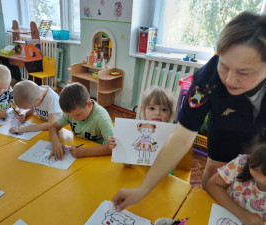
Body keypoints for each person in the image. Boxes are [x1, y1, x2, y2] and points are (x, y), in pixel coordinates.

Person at [112, 11, 266, 211]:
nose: (228, 80)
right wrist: (143, 189)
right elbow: (180, 139)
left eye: (244, 72)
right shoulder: (207, 82)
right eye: (224, 66)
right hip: (225, 127)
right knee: (214, 174)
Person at [206, 138, 266, 225]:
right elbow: (212, 185)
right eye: (254, 168)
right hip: (228, 214)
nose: (258, 177)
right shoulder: (241, 162)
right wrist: (243, 215)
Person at [49, 82, 114, 160]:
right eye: (70, 115)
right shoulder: (73, 111)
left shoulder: (101, 118)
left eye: (78, 115)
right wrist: (56, 143)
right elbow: (53, 127)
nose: (74, 118)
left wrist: (85, 152)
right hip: (79, 148)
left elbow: (113, 147)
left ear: (89, 104)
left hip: (97, 155)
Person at [108, 86, 174, 155]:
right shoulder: (134, 132)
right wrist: (117, 148)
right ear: (144, 111)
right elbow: (127, 162)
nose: (157, 113)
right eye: (152, 108)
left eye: (164, 110)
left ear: (170, 114)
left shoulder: (173, 136)